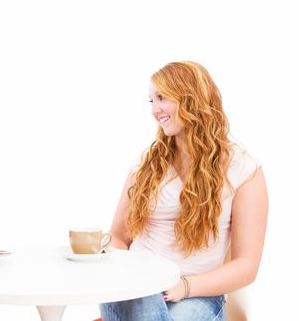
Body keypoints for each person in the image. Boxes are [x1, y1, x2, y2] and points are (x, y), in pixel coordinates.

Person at [100, 61, 268, 321]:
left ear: (190, 98)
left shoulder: (243, 169)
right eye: (151, 100)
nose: (154, 110)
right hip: (136, 287)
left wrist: (183, 287)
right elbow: (118, 236)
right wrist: (113, 260)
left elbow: (246, 265)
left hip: (197, 294)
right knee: (146, 300)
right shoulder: (145, 165)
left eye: (161, 98)